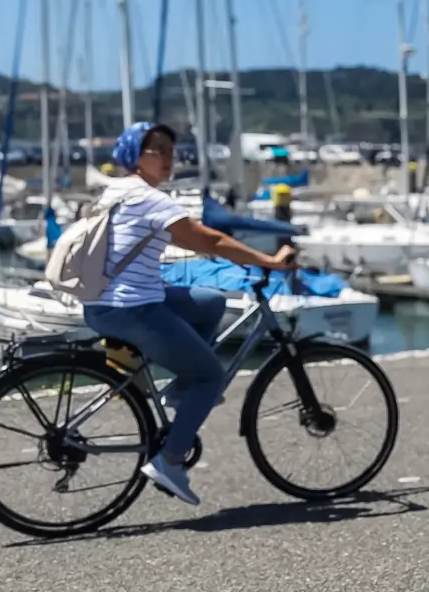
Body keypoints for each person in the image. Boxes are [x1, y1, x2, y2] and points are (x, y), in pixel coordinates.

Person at [82, 122, 296, 507]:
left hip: (104, 304)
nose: (168, 158)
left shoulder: (117, 191)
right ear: (134, 155)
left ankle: (180, 391)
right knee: (211, 374)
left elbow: (190, 241)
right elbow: (208, 239)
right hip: (133, 308)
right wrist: (269, 261)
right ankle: (170, 460)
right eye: (157, 150)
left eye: (171, 150)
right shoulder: (149, 200)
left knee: (210, 301)